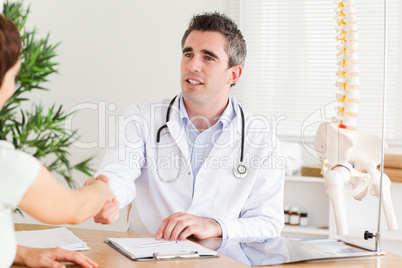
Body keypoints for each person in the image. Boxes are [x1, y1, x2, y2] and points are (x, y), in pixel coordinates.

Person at [93, 12, 285, 241]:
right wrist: (105, 196)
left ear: (233, 74)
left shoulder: (261, 138)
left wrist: (215, 226)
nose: (193, 65)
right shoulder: (141, 118)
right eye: (188, 54)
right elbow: (118, 175)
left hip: (221, 261)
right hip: (146, 258)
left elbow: (268, 223)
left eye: (208, 58)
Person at [0, 14, 114, 268]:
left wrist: (20, 252)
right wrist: (101, 188)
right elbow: (74, 209)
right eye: (14, 75)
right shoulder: (7, 164)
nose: (15, 87)